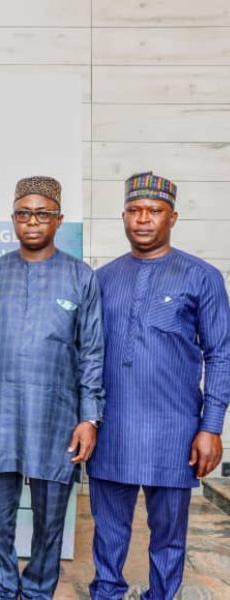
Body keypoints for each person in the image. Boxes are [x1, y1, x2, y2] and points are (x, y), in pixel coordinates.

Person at [86, 172, 230, 599]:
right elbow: (88, 355)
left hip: (174, 430)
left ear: (173, 217)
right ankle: (107, 593)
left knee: (168, 533)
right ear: (123, 216)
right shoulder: (104, 278)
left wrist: (211, 427)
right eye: (134, 210)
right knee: (108, 531)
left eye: (154, 211)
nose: (142, 219)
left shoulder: (201, 276)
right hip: (113, 427)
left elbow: (220, 353)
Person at [0, 176, 105, 599]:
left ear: (59, 220)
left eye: (42, 214)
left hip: (57, 418)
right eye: (23, 214)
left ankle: (37, 591)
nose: (32, 222)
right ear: (13, 218)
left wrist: (89, 418)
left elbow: (92, 353)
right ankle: (2, 587)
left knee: (50, 519)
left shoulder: (80, 277)